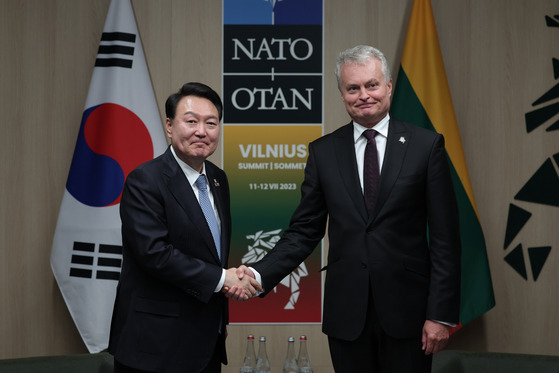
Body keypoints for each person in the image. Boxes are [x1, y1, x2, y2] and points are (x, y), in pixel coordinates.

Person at [232, 45, 461, 372]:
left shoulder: (426, 146)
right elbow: (304, 232)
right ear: (341, 94)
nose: (364, 95)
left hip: (409, 313)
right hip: (347, 313)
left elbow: (445, 239)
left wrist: (440, 314)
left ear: (389, 86)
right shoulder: (324, 152)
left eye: (372, 85)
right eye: (353, 88)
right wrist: (257, 273)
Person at [109, 82, 261, 373]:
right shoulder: (145, 180)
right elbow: (156, 255)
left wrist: (220, 313)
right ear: (169, 126)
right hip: (155, 346)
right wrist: (223, 279)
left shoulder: (218, 179)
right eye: (191, 121)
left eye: (211, 123)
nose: (201, 131)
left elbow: (210, 251)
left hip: (206, 342)